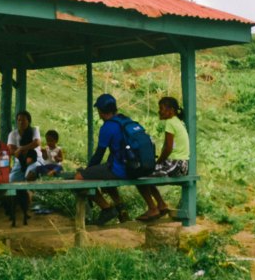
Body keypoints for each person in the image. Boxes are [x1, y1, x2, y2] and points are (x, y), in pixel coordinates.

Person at [74, 93, 130, 225]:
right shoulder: (126, 120)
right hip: (133, 167)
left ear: (101, 111)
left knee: (78, 178)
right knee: (106, 172)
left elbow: (99, 154)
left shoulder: (108, 127)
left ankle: (106, 208)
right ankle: (121, 208)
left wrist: (87, 171)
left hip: (121, 170)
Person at [135, 96, 189, 221]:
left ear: (171, 110)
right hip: (183, 164)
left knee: (140, 175)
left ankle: (153, 208)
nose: (159, 111)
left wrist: (159, 161)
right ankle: (161, 204)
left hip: (176, 164)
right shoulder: (177, 121)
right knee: (148, 173)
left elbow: (168, 148)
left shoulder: (170, 123)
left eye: (162, 109)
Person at [7, 110, 43, 181]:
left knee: (29, 175)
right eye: (19, 120)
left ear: (28, 121)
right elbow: (10, 150)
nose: (21, 122)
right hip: (20, 162)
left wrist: (21, 149)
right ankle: (20, 192)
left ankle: (30, 192)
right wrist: (18, 151)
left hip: (35, 160)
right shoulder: (13, 134)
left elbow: (37, 143)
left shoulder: (34, 130)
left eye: (23, 120)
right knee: (11, 179)